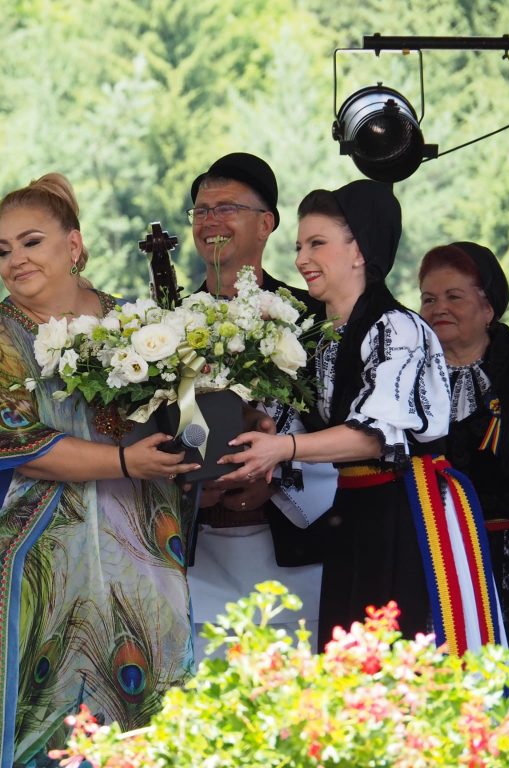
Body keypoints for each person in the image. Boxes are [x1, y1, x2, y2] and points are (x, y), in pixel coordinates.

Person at [0, 173, 201, 768]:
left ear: (74, 245)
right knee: (34, 716)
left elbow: (182, 410)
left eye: (31, 242)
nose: (15, 260)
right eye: (3, 249)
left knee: (146, 704)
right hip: (36, 564)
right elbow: (22, 446)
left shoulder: (135, 324)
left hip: (137, 544)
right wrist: (124, 461)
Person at [220, 180, 502, 655]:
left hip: (408, 510)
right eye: (299, 246)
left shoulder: (397, 328)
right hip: (354, 508)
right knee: (351, 651)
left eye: (317, 243)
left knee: (401, 651)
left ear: (359, 251)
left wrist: (282, 447)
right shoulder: (320, 336)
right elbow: (296, 420)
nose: (302, 259)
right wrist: (258, 427)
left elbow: (372, 436)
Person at [184, 153, 335, 653]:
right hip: (199, 552)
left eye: (227, 208)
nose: (211, 221)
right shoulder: (165, 324)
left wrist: (274, 477)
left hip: (294, 546)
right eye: (201, 211)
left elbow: (347, 425)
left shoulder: (313, 316)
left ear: (266, 223)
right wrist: (190, 487)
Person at [418, 242, 509, 659]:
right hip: (431, 560)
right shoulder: (407, 383)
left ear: (488, 309)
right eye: (429, 299)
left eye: (454, 296)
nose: (439, 309)